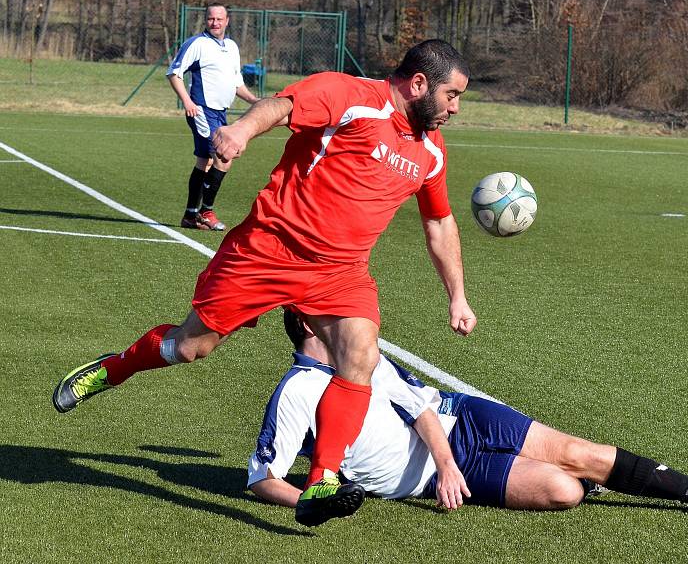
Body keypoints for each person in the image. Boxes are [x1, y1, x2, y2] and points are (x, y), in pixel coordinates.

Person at [52, 39, 477, 527]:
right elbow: (282, 106)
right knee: (191, 348)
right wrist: (240, 130)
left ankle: (323, 478)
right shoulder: (352, 95)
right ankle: (115, 367)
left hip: (340, 272)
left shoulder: (430, 152)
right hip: (269, 251)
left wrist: (457, 297)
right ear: (419, 84)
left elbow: (440, 223)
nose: (455, 108)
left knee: (359, 356)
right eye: (451, 95)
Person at [249, 309, 688, 518]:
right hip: (428, 479)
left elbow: (421, 408)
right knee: (564, 490)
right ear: (309, 321)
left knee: (576, 452)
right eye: (333, 311)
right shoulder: (296, 392)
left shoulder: (364, 357)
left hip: (460, 422)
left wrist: (446, 463)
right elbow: (262, 478)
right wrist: (310, 503)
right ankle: (591, 477)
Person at [167, 3, 259, 231]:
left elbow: (237, 83)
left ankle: (190, 215)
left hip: (220, 113)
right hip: (201, 111)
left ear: (227, 21)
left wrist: (257, 102)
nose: (215, 23)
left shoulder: (232, 47)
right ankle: (206, 211)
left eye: (219, 19)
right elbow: (174, 73)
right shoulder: (197, 44)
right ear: (205, 20)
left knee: (205, 162)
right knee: (224, 156)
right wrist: (187, 102)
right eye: (211, 19)